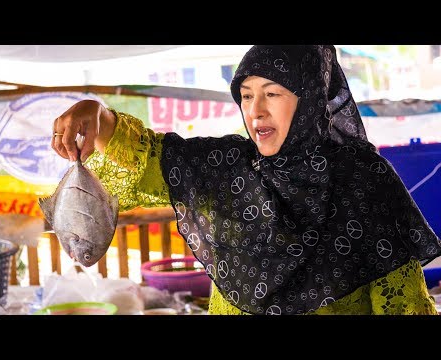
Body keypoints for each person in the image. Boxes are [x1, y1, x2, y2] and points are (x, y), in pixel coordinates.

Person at [51, 45, 441, 315]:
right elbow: (149, 155)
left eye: (272, 93)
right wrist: (96, 114)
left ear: (310, 100)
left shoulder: (363, 181)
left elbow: (403, 301)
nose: (256, 110)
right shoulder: (227, 168)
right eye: (247, 94)